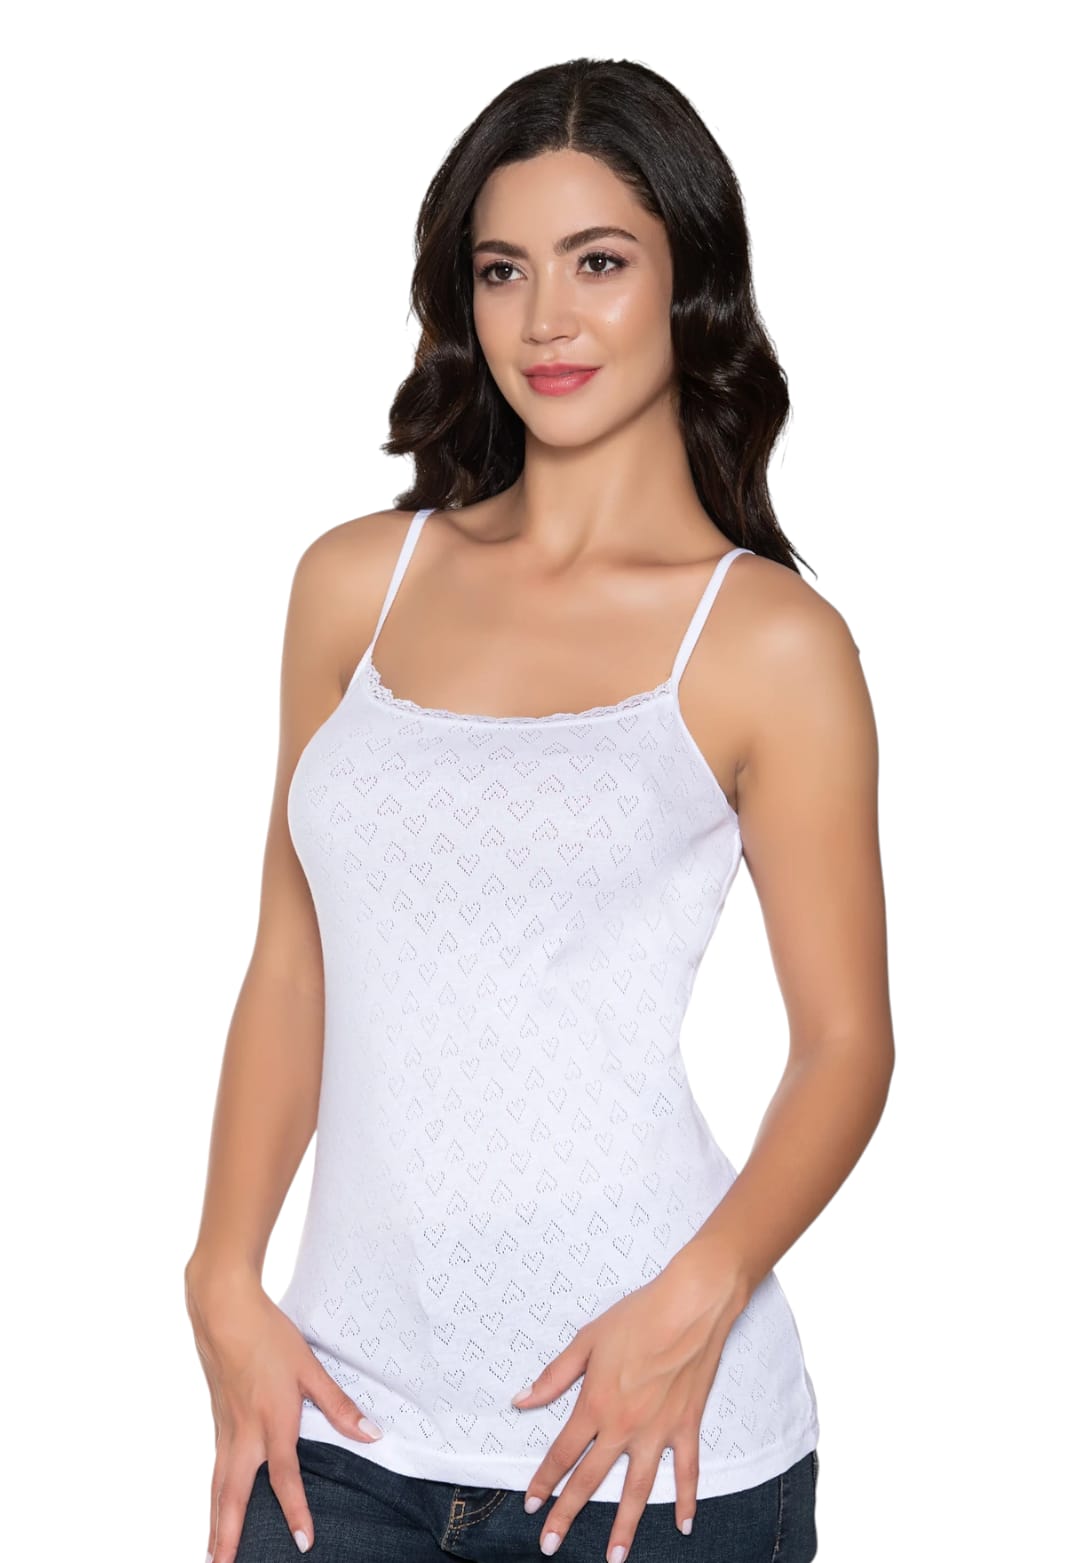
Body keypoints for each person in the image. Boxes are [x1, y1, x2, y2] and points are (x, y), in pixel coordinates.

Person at [185, 55, 894, 1563]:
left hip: (654, 1442)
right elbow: (294, 964)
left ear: (692, 283)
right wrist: (221, 1278)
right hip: (341, 1432)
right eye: (503, 269)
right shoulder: (354, 587)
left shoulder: (769, 643)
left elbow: (846, 1046)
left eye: (600, 262)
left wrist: (693, 1303)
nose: (546, 319)